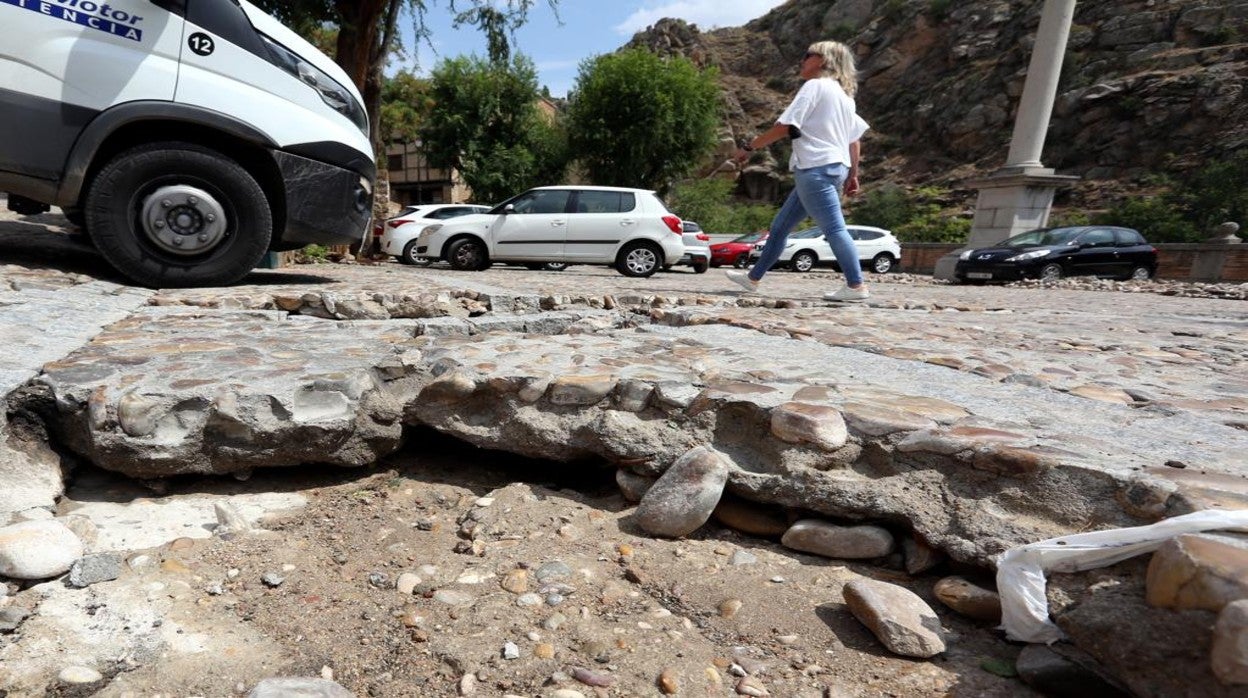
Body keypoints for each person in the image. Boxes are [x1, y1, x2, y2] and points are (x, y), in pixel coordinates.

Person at [726, 40, 871, 302]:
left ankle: (856, 285)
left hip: (815, 169)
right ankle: (752, 278)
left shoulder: (814, 86)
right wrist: (853, 174)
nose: (802, 60)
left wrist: (748, 147)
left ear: (824, 61)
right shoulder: (844, 96)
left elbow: (786, 127)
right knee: (780, 227)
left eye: (808, 55)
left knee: (834, 229)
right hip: (830, 167)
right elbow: (854, 139)